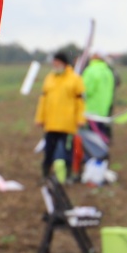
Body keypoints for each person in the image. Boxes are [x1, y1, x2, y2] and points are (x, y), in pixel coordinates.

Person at [35, 51, 85, 181]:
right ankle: (46, 175)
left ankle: (68, 176)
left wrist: (80, 119)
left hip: (68, 124)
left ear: (64, 63)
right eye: (54, 62)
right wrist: (40, 118)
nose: (55, 65)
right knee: (48, 151)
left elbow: (80, 102)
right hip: (51, 123)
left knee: (68, 151)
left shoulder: (75, 79)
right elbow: (43, 100)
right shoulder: (49, 78)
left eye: (57, 62)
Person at [80, 48, 116, 143]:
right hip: (103, 111)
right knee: (100, 138)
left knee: (90, 141)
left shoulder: (91, 70)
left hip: (90, 112)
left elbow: (84, 91)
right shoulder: (108, 72)